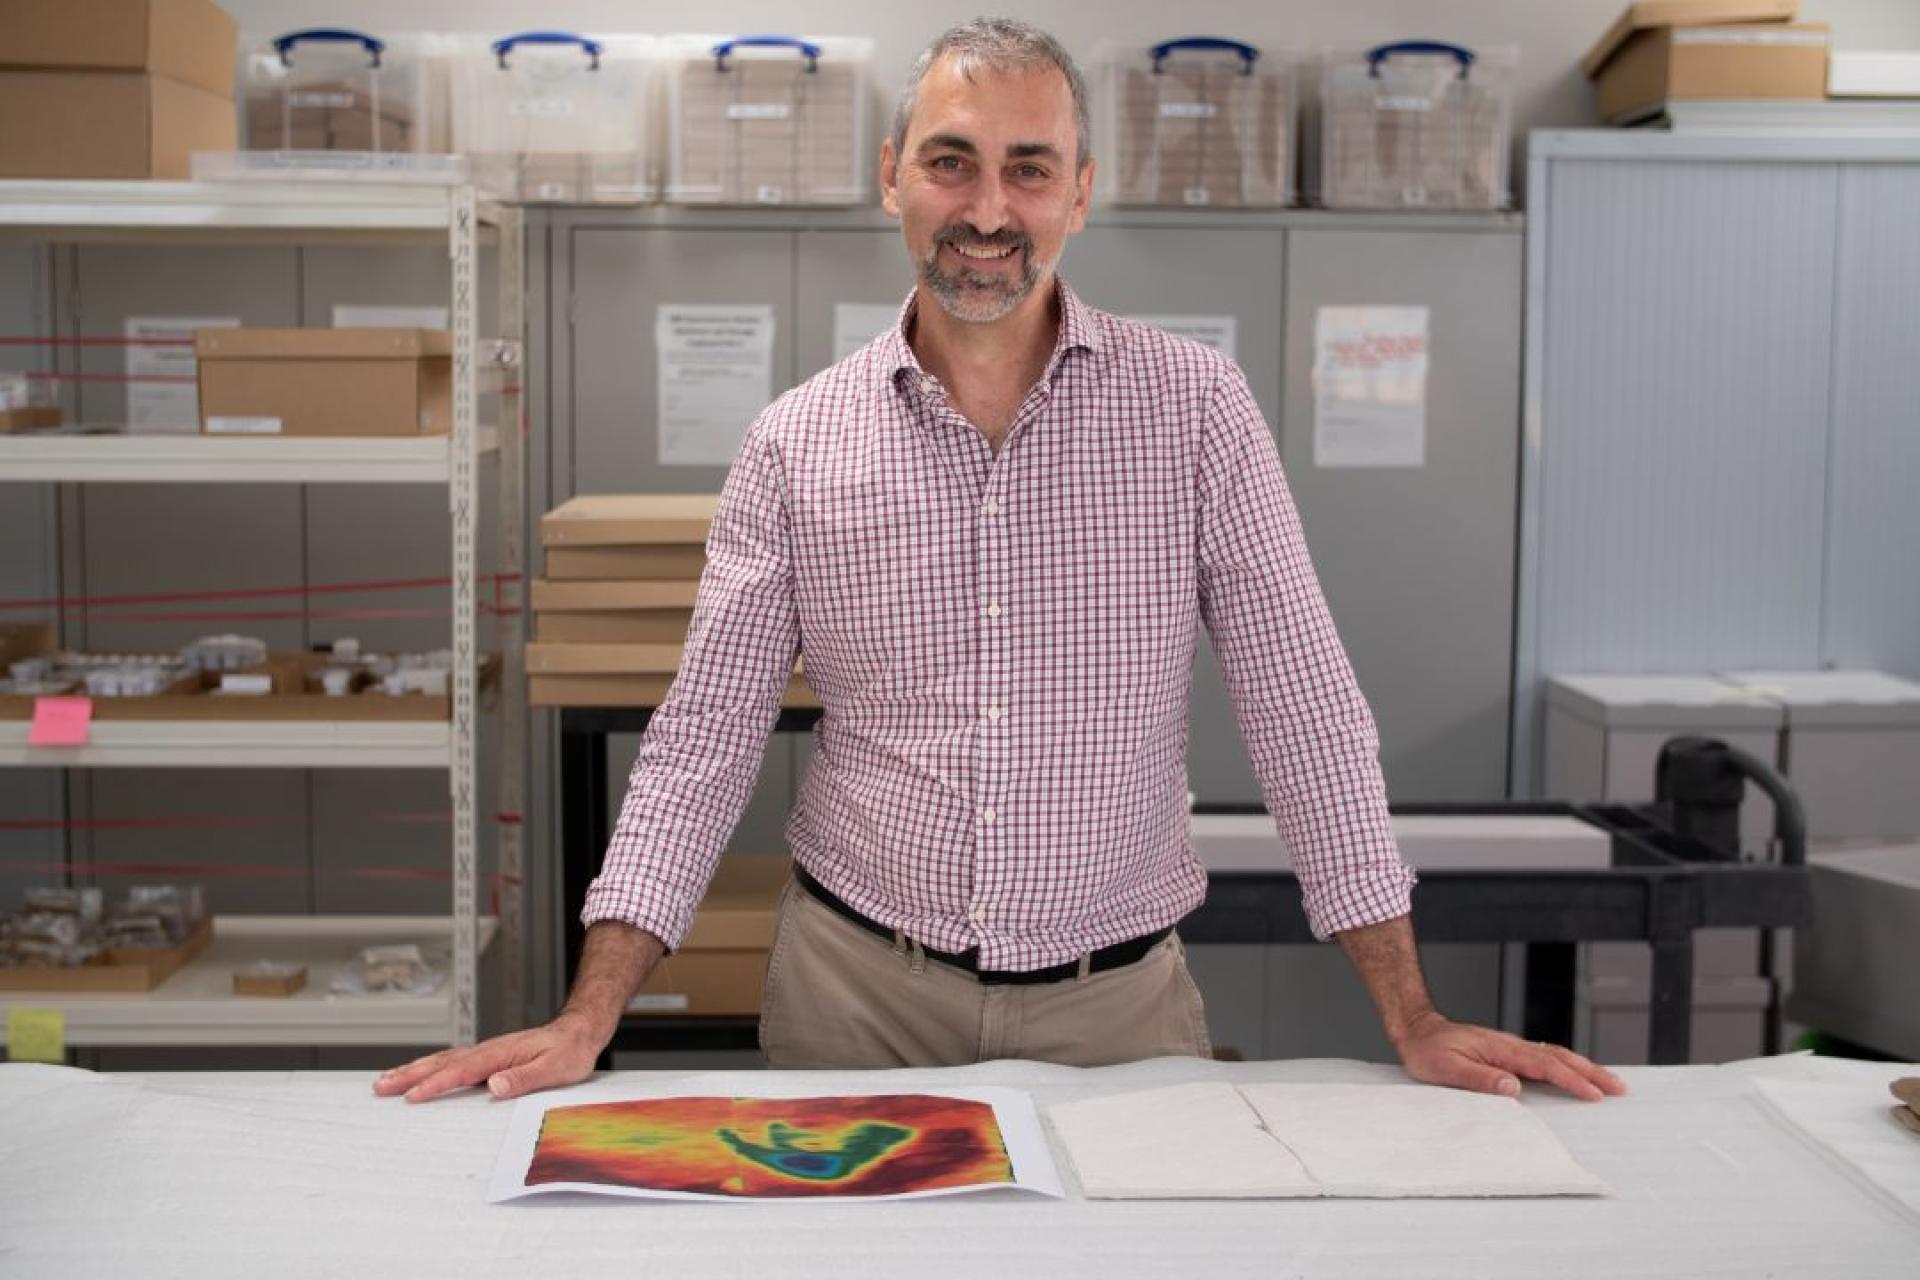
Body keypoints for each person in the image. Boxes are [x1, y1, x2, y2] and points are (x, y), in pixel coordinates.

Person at [378, 18, 1625, 1106]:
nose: (987, 211)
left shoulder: (1195, 411)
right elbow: (703, 739)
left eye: (1028, 170)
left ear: (1080, 193)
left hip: (1116, 1013)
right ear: (892, 178)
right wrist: (589, 1016)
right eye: (951, 161)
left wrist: (1411, 1013)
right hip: (852, 1007)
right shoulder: (797, 442)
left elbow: (1303, 708)